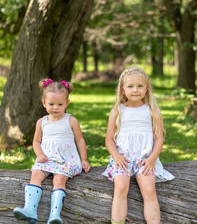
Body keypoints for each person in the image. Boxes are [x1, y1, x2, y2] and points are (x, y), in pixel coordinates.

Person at [103, 67, 174, 224]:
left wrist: (151, 159)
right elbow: (109, 139)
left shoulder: (152, 111)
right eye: (130, 86)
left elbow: (159, 139)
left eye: (140, 86)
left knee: (149, 190)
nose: (135, 90)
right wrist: (116, 156)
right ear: (122, 89)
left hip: (145, 159)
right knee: (120, 187)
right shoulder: (117, 111)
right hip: (123, 158)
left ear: (147, 88)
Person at [14, 78, 90, 224]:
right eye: (51, 104)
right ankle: (30, 210)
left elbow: (80, 140)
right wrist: (40, 154)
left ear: (67, 103)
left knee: (59, 178)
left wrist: (84, 159)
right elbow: (36, 142)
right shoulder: (41, 122)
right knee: (35, 174)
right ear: (44, 103)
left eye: (60, 104)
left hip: (66, 160)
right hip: (47, 159)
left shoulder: (71, 121)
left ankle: (54, 215)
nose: (55, 107)